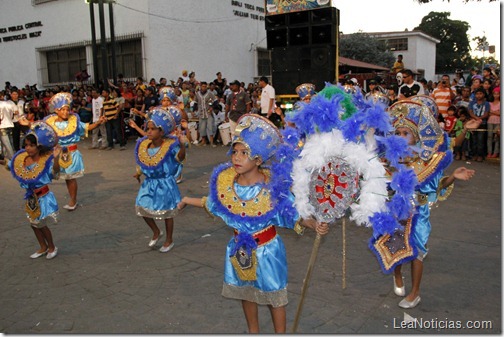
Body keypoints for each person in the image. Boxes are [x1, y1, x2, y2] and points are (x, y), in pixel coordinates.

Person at [177, 114, 329, 333]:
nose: (237, 158)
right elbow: (213, 203)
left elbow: (292, 213)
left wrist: (313, 224)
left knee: (274, 297)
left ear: (258, 159)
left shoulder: (273, 189)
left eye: (244, 153)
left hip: (268, 251)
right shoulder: (228, 185)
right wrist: (186, 200)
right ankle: (253, 332)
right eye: (235, 152)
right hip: (239, 250)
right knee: (246, 294)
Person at [371, 101, 476, 309]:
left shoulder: (428, 162)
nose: (401, 137)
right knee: (396, 248)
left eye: (405, 133)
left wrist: (453, 176)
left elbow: (437, 188)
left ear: (416, 137)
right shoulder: (388, 162)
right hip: (395, 211)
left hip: (419, 212)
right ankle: (397, 275)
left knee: (417, 251)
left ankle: (415, 292)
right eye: (398, 133)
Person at [21, 92, 107, 210]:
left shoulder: (74, 120)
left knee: (70, 177)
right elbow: (40, 128)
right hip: (57, 154)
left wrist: (97, 122)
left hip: (72, 153)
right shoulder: (50, 121)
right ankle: (43, 199)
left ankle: (73, 200)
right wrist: (29, 123)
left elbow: (86, 127)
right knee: (62, 177)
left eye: (67, 109)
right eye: (63, 110)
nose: (66, 112)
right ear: (56, 110)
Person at [3, 121, 61, 259]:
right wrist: (3, 161)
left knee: (41, 224)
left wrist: (57, 159)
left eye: (31, 145)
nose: (28, 148)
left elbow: (55, 174)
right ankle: (43, 247)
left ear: (39, 146)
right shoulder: (22, 159)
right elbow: (10, 165)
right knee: (33, 224)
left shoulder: (46, 161)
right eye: (26, 145)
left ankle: (52, 246)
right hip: (30, 198)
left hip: (44, 196)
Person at [133, 108, 186, 252]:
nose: (148, 132)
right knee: (141, 207)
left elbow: (179, 158)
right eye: (147, 128)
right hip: (149, 183)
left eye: (152, 129)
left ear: (161, 131)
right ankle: (156, 231)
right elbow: (143, 162)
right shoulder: (144, 144)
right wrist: (138, 173)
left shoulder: (169, 146)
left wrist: (182, 146)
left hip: (164, 183)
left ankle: (169, 240)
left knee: (167, 213)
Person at [468, 87, 490, 162]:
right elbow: (470, 112)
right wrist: (476, 118)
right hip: (473, 123)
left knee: (481, 140)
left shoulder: (486, 103)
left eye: (480, 94)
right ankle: (474, 154)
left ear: (484, 94)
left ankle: (480, 155)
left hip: (482, 123)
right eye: (477, 94)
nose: (479, 95)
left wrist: (480, 118)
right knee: (474, 140)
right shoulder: (472, 103)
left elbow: (486, 113)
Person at [194, 81, 217, 147]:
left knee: (210, 127)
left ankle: (211, 142)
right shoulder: (197, 94)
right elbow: (195, 102)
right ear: (200, 86)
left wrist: (212, 107)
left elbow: (215, 102)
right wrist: (194, 110)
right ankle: (203, 141)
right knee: (202, 127)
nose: (204, 88)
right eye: (203, 86)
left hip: (208, 113)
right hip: (201, 113)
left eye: (205, 86)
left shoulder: (210, 93)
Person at [487, 86, 500, 158]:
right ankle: (489, 152)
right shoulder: (490, 103)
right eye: (494, 94)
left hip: (498, 122)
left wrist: (493, 112)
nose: (496, 95)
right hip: (490, 121)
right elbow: (488, 113)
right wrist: (496, 112)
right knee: (489, 137)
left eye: (497, 94)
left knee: (497, 137)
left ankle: (495, 152)